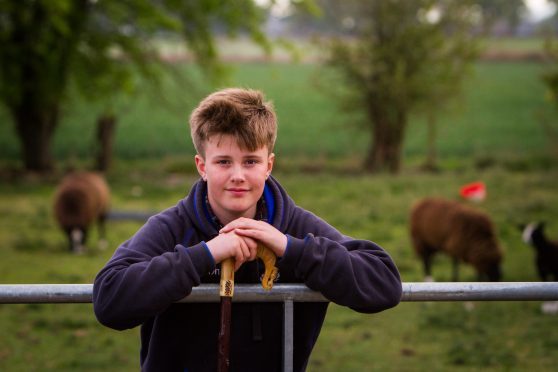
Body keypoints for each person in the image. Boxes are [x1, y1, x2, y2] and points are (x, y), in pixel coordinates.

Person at [92, 88, 402, 372]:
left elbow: (385, 284)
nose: (238, 175)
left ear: (269, 165)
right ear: (202, 166)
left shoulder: (294, 226)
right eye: (224, 161)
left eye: (251, 161)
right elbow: (109, 300)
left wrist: (289, 249)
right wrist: (206, 254)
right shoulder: (172, 227)